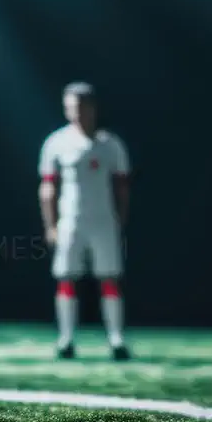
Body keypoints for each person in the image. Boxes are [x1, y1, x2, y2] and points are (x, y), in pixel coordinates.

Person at [38, 81, 131, 360]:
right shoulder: (56, 142)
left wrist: (120, 218)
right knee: (66, 278)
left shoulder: (110, 144)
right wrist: (51, 225)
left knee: (109, 278)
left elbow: (122, 185)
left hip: (103, 221)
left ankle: (116, 339)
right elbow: (47, 188)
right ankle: (66, 339)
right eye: (70, 107)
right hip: (71, 221)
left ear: (92, 108)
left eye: (80, 106)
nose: (75, 112)